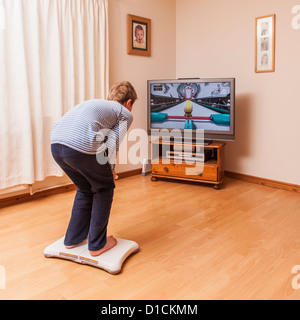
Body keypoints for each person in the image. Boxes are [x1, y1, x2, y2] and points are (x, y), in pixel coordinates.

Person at [50, 81, 137, 256]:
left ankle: (73, 239)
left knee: (84, 189)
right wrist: (111, 169)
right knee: (104, 188)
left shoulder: (95, 104)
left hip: (56, 145)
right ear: (129, 102)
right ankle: (98, 244)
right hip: (79, 147)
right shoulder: (125, 113)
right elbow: (113, 143)